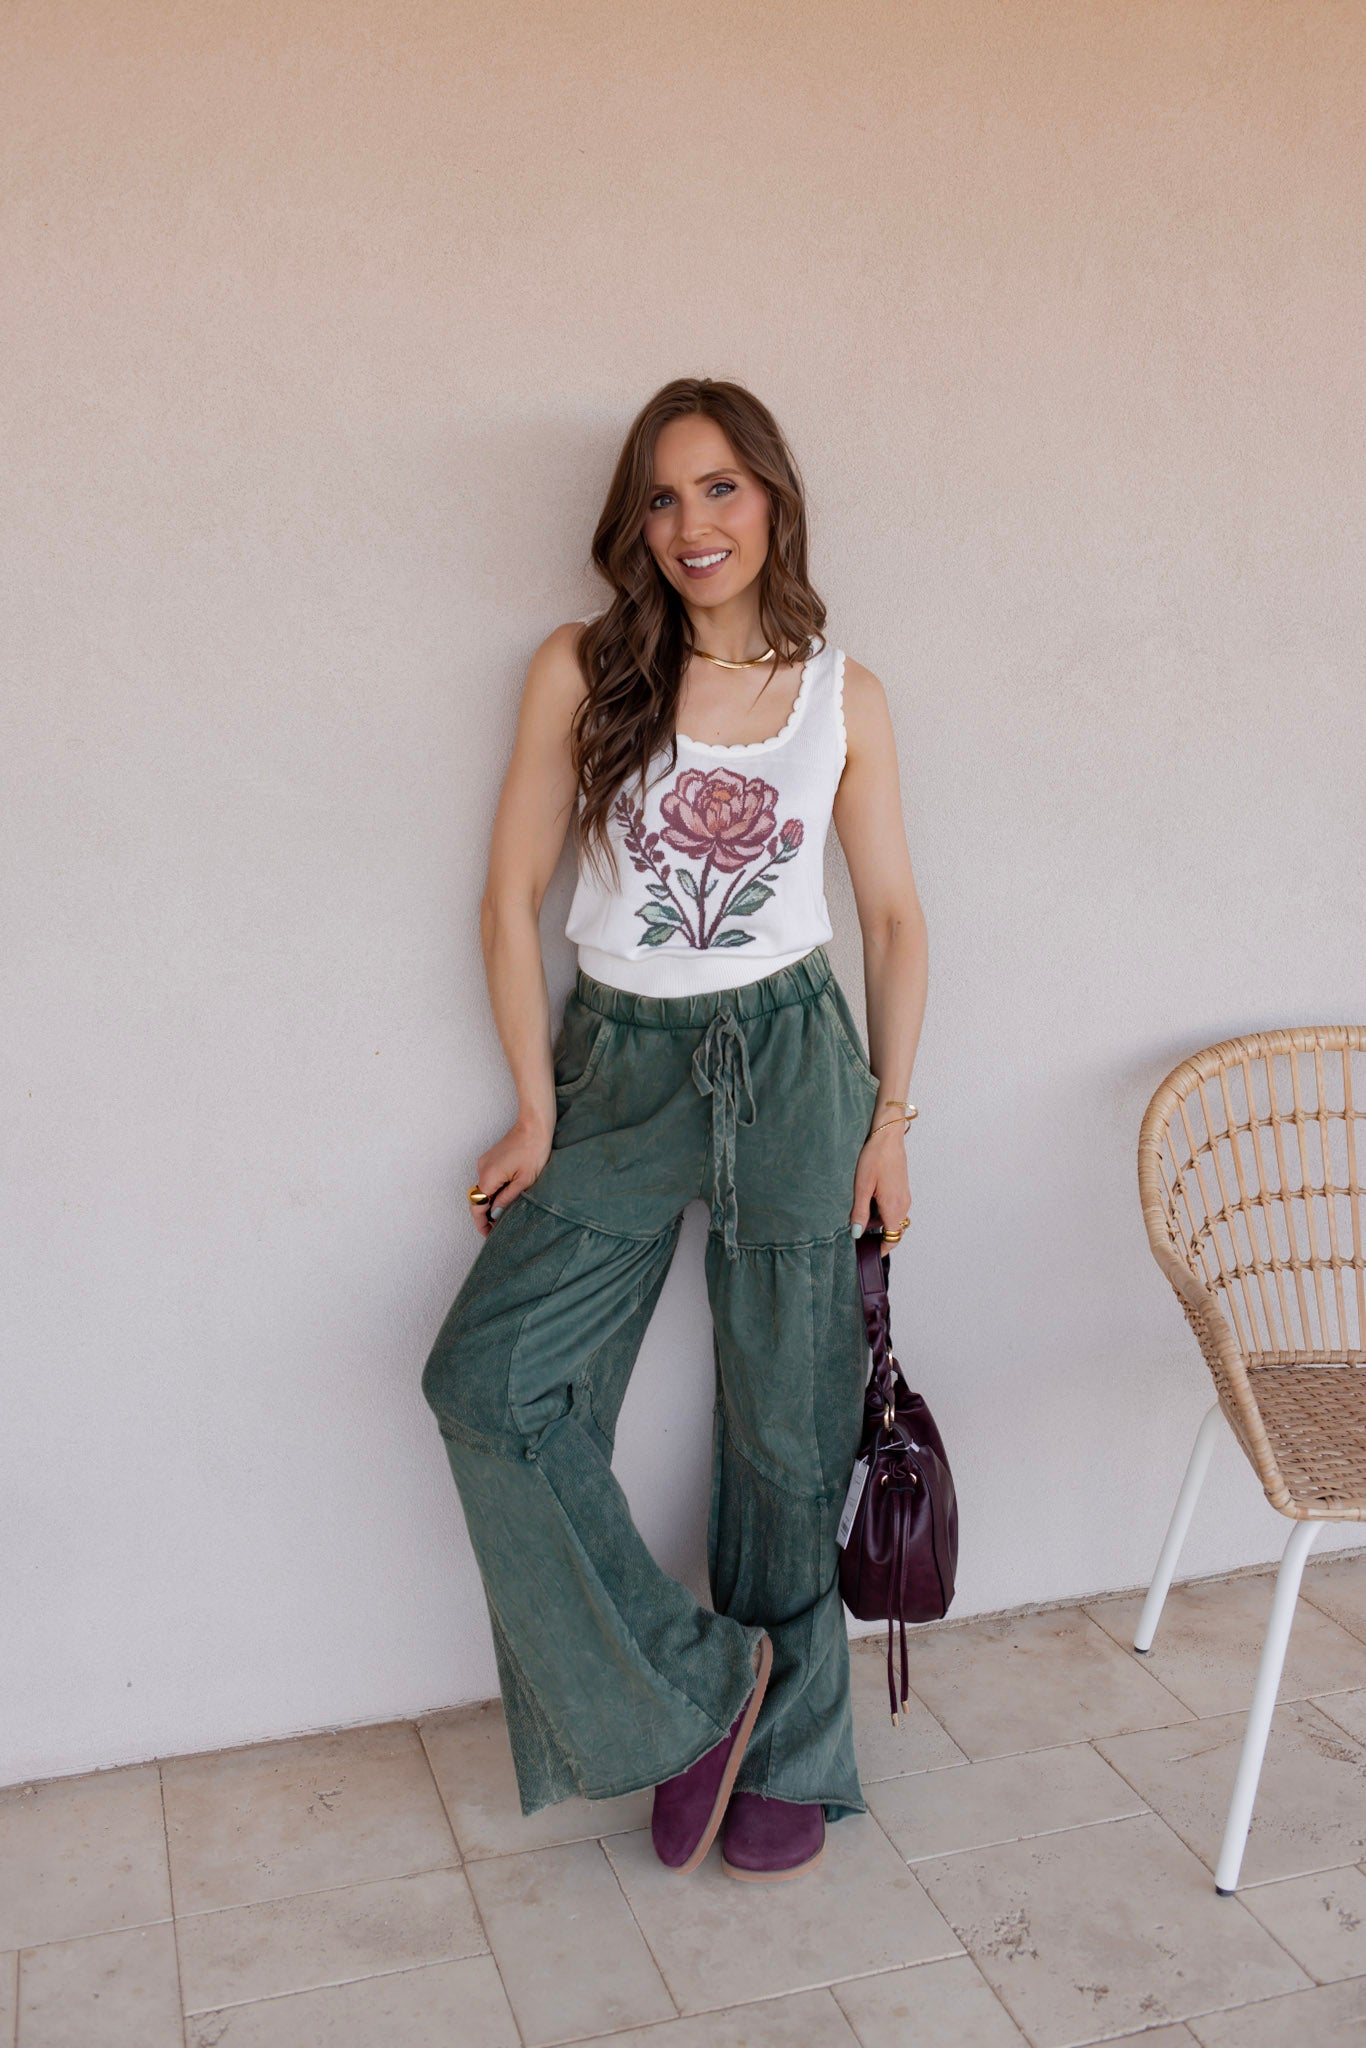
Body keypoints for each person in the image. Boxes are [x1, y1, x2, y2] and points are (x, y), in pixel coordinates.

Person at [420, 376, 929, 1883]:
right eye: (661, 496)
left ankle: (793, 1757)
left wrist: (890, 1121)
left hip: (796, 1058)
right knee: (489, 1382)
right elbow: (510, 900)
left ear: (771, 498)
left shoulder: (844, 695)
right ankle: (694, 1692)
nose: (691, 523)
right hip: (620, 1062)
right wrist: (536, 1104)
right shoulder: (581, 667)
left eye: (719, 488)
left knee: (786, 1431)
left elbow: (893, 920)